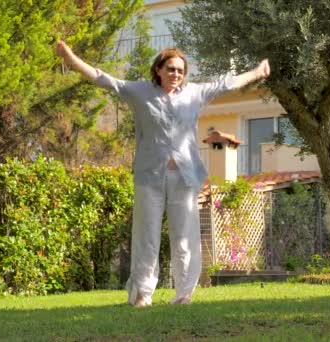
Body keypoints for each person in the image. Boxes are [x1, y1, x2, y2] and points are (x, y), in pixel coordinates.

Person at [56, 40, 270, 307]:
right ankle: (143, 294)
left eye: (180, 70)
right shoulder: (139, 92)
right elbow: (104, 79)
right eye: (171, 69)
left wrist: (257, 72)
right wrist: (71, 59)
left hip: (184, 177)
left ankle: (184, 294)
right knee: (147, 235)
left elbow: (225, 84)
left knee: (185, 237)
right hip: (150, 177)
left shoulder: (194, 93)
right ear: (158, 69)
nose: (176, 75)